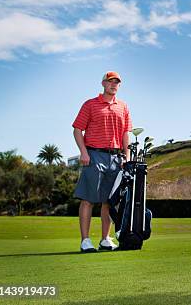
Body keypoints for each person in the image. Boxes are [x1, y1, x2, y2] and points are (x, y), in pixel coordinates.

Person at [72, 71, 132, 253]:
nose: (113, 85)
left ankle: (105, 239)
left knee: (109, 201)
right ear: (103, 83)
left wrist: (127, 157)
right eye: (110, 81)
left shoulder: (123, 106)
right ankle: (85, 241)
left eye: (117, 82)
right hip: (94, 155)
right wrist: (83, 152)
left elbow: (125, 134)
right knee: (88, 199)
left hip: (115, 158)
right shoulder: (90, 104)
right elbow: (77, 130)